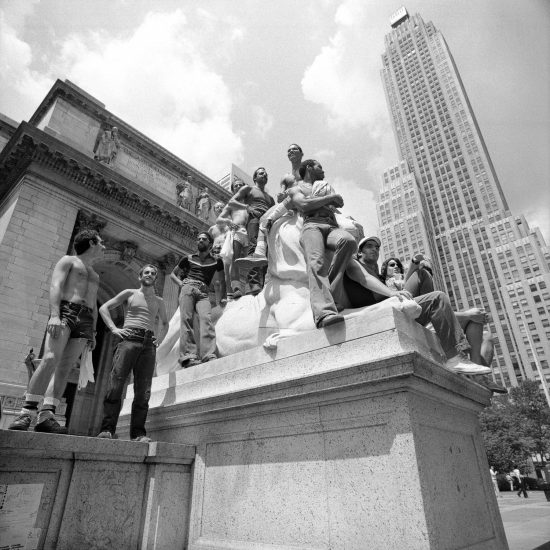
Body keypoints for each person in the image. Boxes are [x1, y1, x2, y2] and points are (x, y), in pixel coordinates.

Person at [343, 236, 491, 375]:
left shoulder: (379, 276)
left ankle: (472, 363)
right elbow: (365, 279)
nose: (375, 249)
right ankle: (454, 357)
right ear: (359, 252)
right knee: (437, 298)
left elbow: (404, 285)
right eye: (369, 246)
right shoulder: (353, 263)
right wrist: (391, 293)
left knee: (424, 277)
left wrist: (412, 267)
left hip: (399, 305)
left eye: (377, 247)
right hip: (384, 309)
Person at [9, 230, 105, 433]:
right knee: (50, 359)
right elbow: (56, 285)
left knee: (66, 367)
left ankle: (47, 415)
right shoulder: (69, 260)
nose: (103, 246)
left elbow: (95, 305)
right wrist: (54, 314)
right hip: (66, 310)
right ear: (91, 242)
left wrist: (94, 332)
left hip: (86, 319)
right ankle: (26, 412)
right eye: (101, 243)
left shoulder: (95, 274)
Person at [97, 265, 168, 442]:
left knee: (143, 390)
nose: (150, 275)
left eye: (153, 273)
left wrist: (159, 339)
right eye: (146, 273)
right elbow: (104, 308)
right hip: (129, 338)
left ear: (155, 278)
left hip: (148, 343)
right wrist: (114, 328)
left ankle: (138, 434)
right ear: (140, 277)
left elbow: (165, 323)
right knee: (116, 384)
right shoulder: (130, 293)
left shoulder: (159, 301)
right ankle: (107, 429)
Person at [288, 159, 357, 328]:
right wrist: (330, 198)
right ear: (309, 167)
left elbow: (339, 202)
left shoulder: (325, 185)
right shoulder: (296, 188)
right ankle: (324, 313)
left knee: (348, 241)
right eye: (320, 166)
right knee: (316, 263)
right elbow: (304, 205)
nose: (323, 170)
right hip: (312, 225)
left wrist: (330, 198)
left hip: (332, 226)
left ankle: (330, 293)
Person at [170, 232, 226, 367]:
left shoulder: (217, 261)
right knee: (186, 320)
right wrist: (180, 283)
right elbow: (172, 274)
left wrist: (221, 299)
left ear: (210, 244)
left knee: (206, 319)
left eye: (204, 239)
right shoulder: (188, 258)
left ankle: (208, 354)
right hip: (188, 287)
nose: (200, 240)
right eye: (199, 239)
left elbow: (221, 281)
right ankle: (189, 356)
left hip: (203, 292)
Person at [223, 167, 275, 296]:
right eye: (261, 173)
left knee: (265, 252)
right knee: (253, 248)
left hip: (267, 223)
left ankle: (263, 282)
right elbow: (232, 201)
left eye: (266, 173)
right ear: (255, 177)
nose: (264, 175)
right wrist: (247, 207)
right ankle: (253, 283)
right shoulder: (249, 189)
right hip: (254, 220)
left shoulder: (271, 198)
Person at [217, 179, 248, 299]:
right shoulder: (231, 205)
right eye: (236, 186)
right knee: (235, 259)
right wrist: (228, 221)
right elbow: (219, 219)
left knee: (249, 261)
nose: (239, 187)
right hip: (237, 232)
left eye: (241, 185)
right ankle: (235, 287)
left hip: (249, 234)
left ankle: (248, 286)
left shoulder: (249, 204)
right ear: (233, 190)